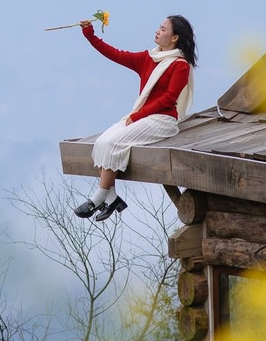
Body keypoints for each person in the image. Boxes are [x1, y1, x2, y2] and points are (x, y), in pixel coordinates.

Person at [73, 15, 196, 221]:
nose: (158, 30)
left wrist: (138, 115)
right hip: (142, 117)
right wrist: (89, 35)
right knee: (103, 142)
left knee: (114, 143)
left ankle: (99, 197)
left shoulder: (180, 66)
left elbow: (169, 98)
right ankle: (112, 199)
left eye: (163, 29)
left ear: (174, 38)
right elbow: (115, 54)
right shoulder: (149, 58)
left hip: (162, 120)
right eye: (159, 26)